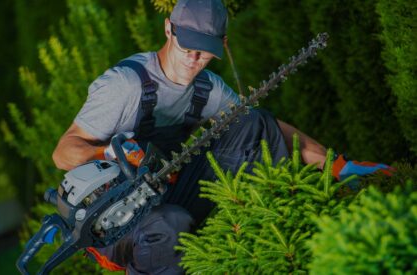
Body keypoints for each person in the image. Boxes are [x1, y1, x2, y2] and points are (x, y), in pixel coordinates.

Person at [52, 0, 393, 273]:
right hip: (110, 220)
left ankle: (340, 176)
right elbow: (63, 153)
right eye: (188, 48)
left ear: (222, 44)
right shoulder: (124, 85)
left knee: (250, 120)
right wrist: (115, 155)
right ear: (168, 29)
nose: (195, 60)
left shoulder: (207, 88)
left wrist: (338, 165)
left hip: (164, 193)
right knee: (170, 224)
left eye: (205, 51)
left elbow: (266, 129)